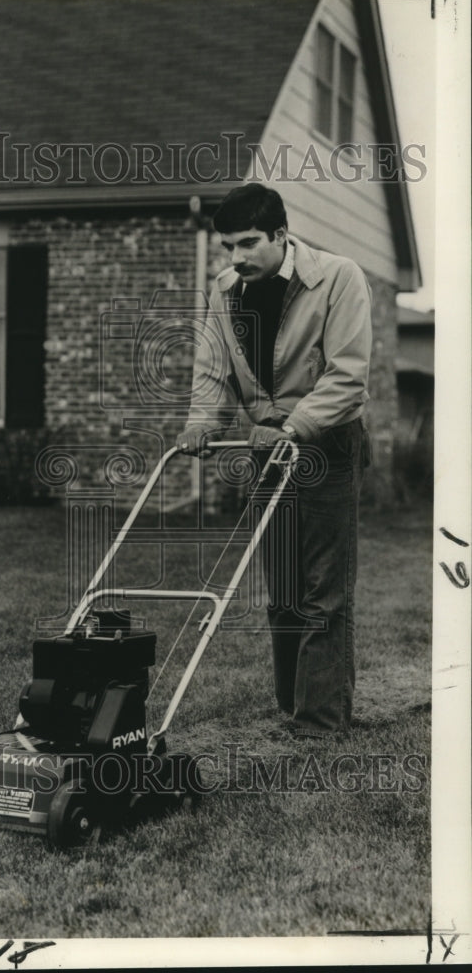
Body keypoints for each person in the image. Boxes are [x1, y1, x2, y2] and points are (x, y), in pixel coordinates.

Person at [177, 183, 372, 737]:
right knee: (283, 589)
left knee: (323, 590)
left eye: (247, 243)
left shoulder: (339, 278)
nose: (236, 258)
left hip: (327, 443)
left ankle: (321, 719)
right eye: (227, 247)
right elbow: (213, 368)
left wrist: (291, 427)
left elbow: (348, 375)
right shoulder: (226, 291)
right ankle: (291, 708)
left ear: (281, 236)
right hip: (267, 446)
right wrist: (202, 423)